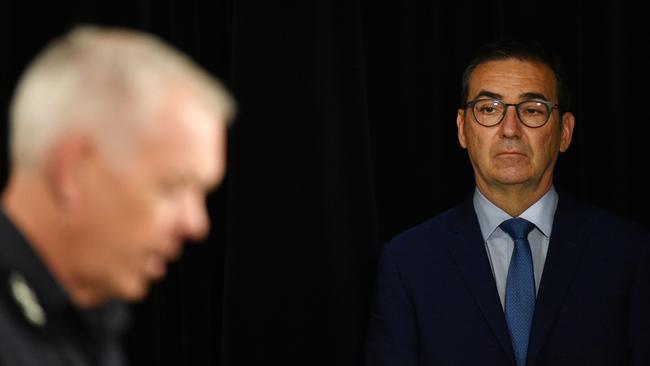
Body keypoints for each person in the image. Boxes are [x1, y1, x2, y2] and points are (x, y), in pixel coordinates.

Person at [365, 40, 650, 366]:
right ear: (462, 129)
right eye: (489, 109)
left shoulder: (631, 255)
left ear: (564, 132)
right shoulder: (407, 263)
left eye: (532, 110)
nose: (510, 129)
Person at [0, 25, 235, 365]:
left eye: (201, 194)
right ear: (72, 173)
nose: (196, 225)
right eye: (172, 187)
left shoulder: (85, 326)